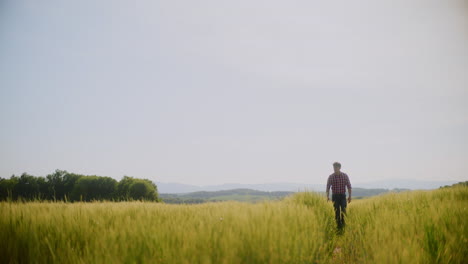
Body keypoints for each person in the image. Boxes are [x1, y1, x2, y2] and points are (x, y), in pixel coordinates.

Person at [326, 162, 352, 230]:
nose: (334, 169)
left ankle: (343, 225)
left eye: (336, 167)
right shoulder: (331, 176)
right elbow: (328, 187)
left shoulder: (345, 175)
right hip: (335, 196)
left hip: (343, 196)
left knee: (344, 210)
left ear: (339, 168)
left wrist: (350, 196)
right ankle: (338, 227)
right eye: (334, 167)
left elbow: (349, 186)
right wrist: (327, 196)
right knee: (336, 211)